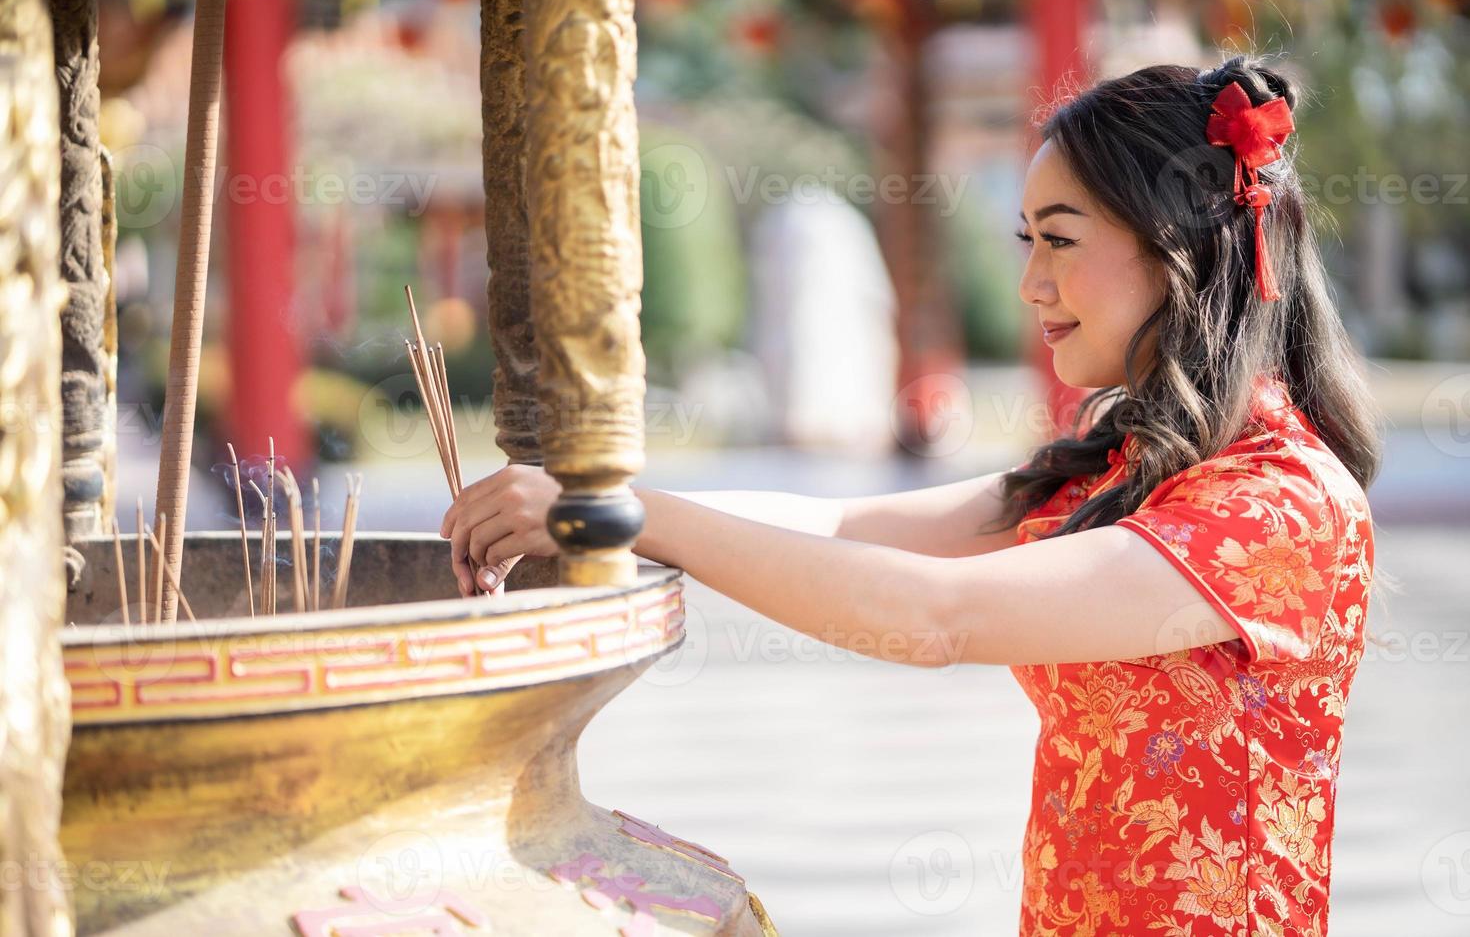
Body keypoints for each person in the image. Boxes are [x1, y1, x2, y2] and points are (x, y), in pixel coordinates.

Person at [440, 54, 1382, 935]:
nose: (1030, 283)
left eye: (1059, 240)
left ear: (1179, 243)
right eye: (1027, 242)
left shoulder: (1277, 506)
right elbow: (844, 519)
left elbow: (935, 618)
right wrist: (598, 499)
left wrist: (627, 517)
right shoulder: (1129, 466)